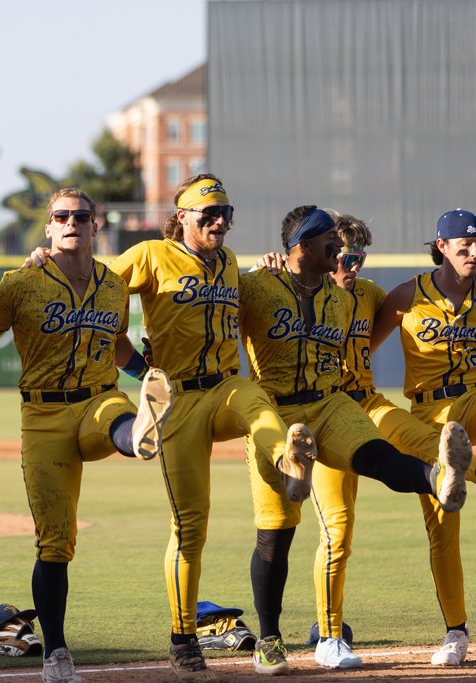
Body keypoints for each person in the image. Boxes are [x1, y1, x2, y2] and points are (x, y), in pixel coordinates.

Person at [259, 212, 476, 668]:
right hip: (321, 410)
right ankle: (330, 637)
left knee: (421, 441)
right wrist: (274, 271)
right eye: (339, 254)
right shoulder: (294, 286)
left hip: (368, 404)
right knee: (337, 529)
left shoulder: (373, 296)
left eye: (357, 257)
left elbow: (370, 346)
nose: (349, 265)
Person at [103, 174, 319, 681]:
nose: (220, 221)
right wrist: (137, 368)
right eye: (208, 214)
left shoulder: (228, 262)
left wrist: (269, 269)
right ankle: (183, 643)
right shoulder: (150, 255)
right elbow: (96, 290)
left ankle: (290, 462)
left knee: (258, 404)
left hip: (222, 386)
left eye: (226, 212)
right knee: (190, 527)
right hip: (174, 400)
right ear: (181, 217)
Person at [0, 188, 175, 683]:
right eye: (62, 216)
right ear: (50, 226)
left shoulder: (112, 285)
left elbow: (117, 344)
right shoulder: (22, 282)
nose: (72, 222)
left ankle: (141, 431)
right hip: (43, 417)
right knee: (55, 543)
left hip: (97, 397)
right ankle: (56, 653)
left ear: (95, 226)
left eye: (82, 216)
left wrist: (146, 372)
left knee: (116, 421)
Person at [369, 208, 476, 665]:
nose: (474, 253)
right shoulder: (404, 296)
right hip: (430, 418)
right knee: (443, 528)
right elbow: (362, 345)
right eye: (464, 246)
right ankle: (455, 634)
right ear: (442, 247)